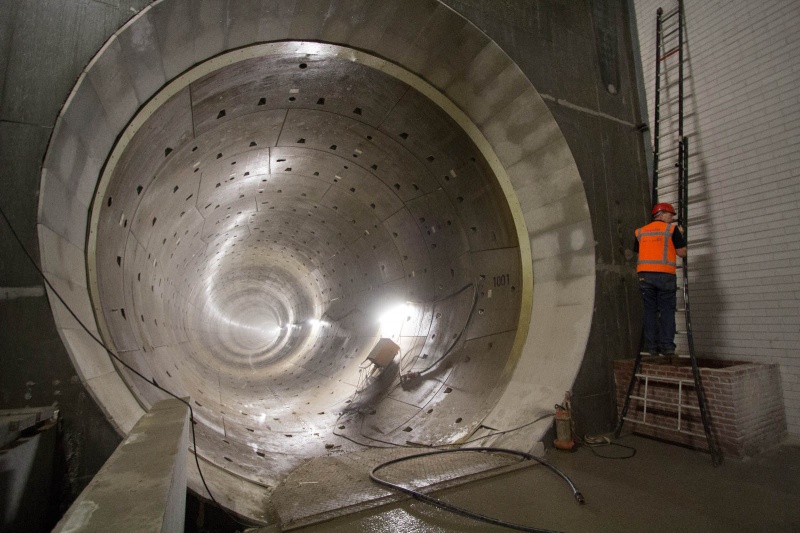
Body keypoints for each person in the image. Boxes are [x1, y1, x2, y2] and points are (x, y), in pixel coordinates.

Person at [634, 202, 687, 356]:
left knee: (650, 311)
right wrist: (681, 235)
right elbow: (682, 253)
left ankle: (651, 346)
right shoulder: (672, 230)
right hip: (665, 275)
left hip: (644, 276)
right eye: (671, 215)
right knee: (667, 311)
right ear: (662, 214)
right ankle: (667, 346)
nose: (672, 219)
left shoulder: (640, 232)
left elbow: (639, 253)